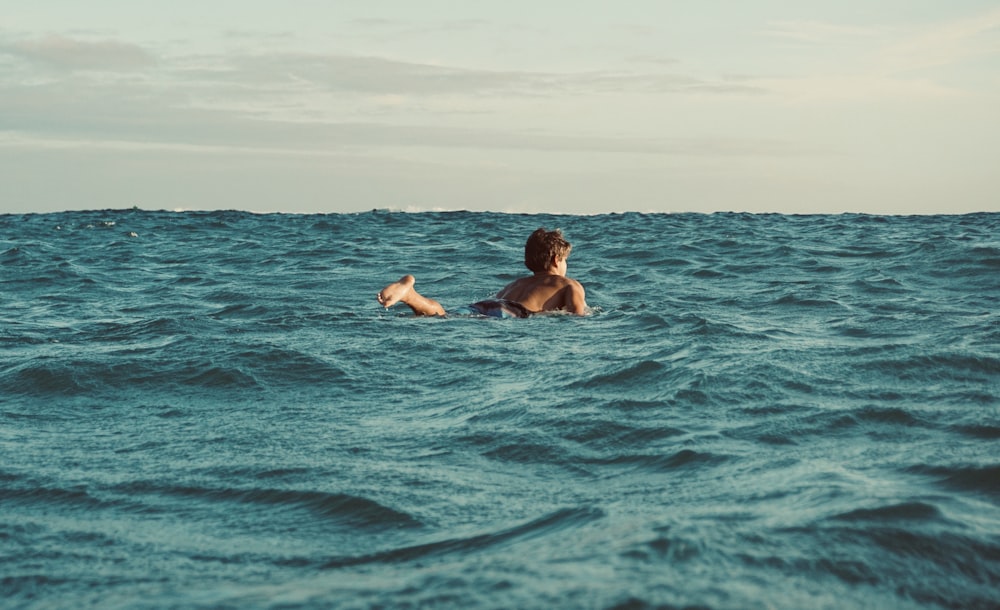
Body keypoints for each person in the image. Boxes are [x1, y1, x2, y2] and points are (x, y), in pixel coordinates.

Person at [377, 228, 588, 317]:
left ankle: (410, 294)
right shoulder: (569, 285)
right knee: (443, 318)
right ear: (556, 259)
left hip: (488, 305)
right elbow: (577, 318)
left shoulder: (514, 285)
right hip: (511, 313)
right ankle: (409, 295)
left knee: (445, 316)